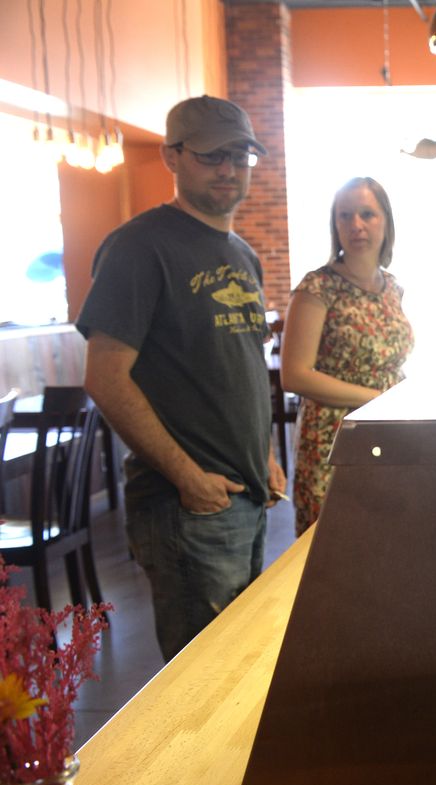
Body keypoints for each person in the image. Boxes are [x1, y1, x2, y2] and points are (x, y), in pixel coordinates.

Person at [77, 95, 288, 661]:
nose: (229, 169)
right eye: (212, 156)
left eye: (241, 156)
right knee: (203, 684)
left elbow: (234, 368)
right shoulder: (139, 247)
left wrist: (262, 452)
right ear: (172, 157)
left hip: (241, 498)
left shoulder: (242, 253)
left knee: (238, 666)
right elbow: (106, 378)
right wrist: (188, 478)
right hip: (185, 507)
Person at [280, 177, 414, 535]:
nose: (356, 225)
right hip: (333, 439)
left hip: (388, 432)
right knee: (335, 546)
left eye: (367, 214)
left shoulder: (392, 287)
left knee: (388, 538)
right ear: (334, 226)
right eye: (345, 216)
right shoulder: (317, 287)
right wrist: (376, 400)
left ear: (385, 221)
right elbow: (294, 374)